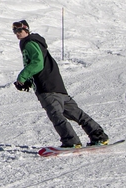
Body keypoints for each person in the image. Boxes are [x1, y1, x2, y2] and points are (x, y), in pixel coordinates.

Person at [12, 20, 109, 148]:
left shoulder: (29, 43)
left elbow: (37, 63)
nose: (17, 33)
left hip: (46, 88)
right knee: (76, 113)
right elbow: (40, 65)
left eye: (19, 30)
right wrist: (28, 81)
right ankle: (99, 136)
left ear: (26, 30)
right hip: (57, 86)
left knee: (56, 115)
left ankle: (71, 141)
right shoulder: (37, 42)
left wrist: (22, 77)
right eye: (15, 31)